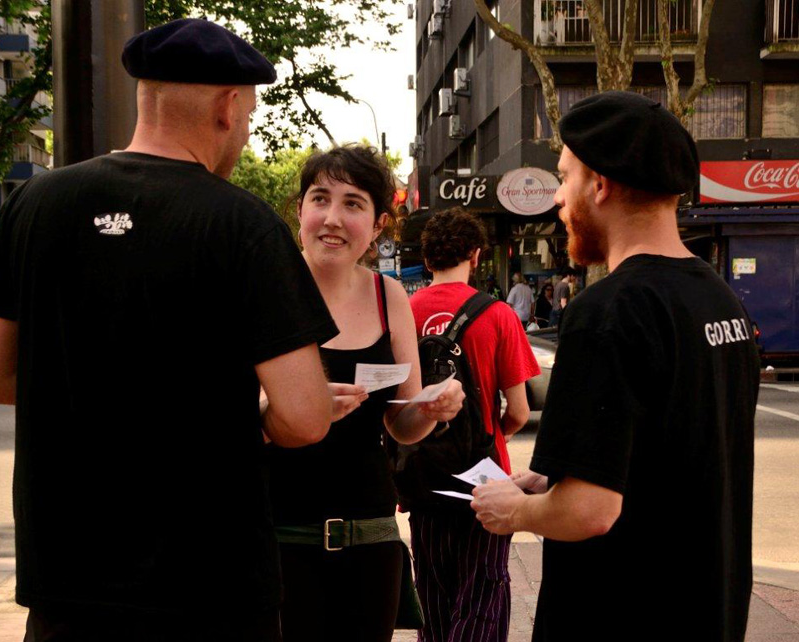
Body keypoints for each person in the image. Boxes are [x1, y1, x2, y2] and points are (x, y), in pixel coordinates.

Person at [0, 19, 338, 642]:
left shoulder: (32, 207)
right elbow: (304, 417)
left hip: (67, 584)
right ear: (227, 107)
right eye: (247, 115)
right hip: (210, 589)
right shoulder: (243, 226)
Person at [471, 91, 760, 642]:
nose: (558, 196)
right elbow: (671, 451)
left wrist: (512, 510)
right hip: (708, 608)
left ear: (598, 185)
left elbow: (589, 511)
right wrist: (554, 473)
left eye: (564, 177)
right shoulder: (721, 300)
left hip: (622, 614)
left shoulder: (606, 312)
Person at [267, 145, 465, 642]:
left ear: (378, 225)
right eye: (320, 198)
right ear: (300, 210)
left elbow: (401, 423)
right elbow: (218, 410)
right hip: (275, 539)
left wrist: (433, 408)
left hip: (370, 538)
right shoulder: (264, 289)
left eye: (353, 203)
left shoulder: (390, 295)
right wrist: (287, 411)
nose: (332, 218)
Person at [407, 208, 540, 642]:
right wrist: (487, 434)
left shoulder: (403, 313)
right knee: (482, 594)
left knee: (433, 592)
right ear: (476, 255)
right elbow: (519, 411)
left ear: (427, 260)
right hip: (485, 480)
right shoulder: (499, 315)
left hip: (421, 475)